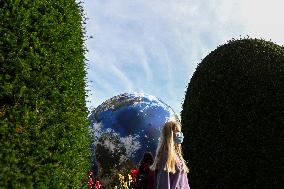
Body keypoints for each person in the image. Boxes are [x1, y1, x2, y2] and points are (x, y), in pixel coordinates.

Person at [150, 120, 190, 189]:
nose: (181, 134)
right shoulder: (166, 156)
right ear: (171, 135)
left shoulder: (177, 154)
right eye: (178, 131)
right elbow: (163, 184)